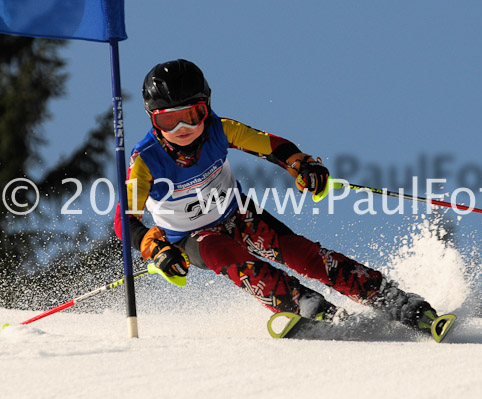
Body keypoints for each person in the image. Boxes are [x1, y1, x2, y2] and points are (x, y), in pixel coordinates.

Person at [114, 58, 439, 332]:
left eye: (192, 115)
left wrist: (303, 166)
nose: (182, 128)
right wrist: (154, 247)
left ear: (207, 108)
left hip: (237, 214)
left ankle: (390, 298)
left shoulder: (220, 129)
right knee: (225, 255)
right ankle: (306, 305)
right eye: (169, 120)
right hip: (188, 237)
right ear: (153, 120)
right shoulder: (146, 160)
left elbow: (272, 146)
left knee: (301, 254)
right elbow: (123, 220)